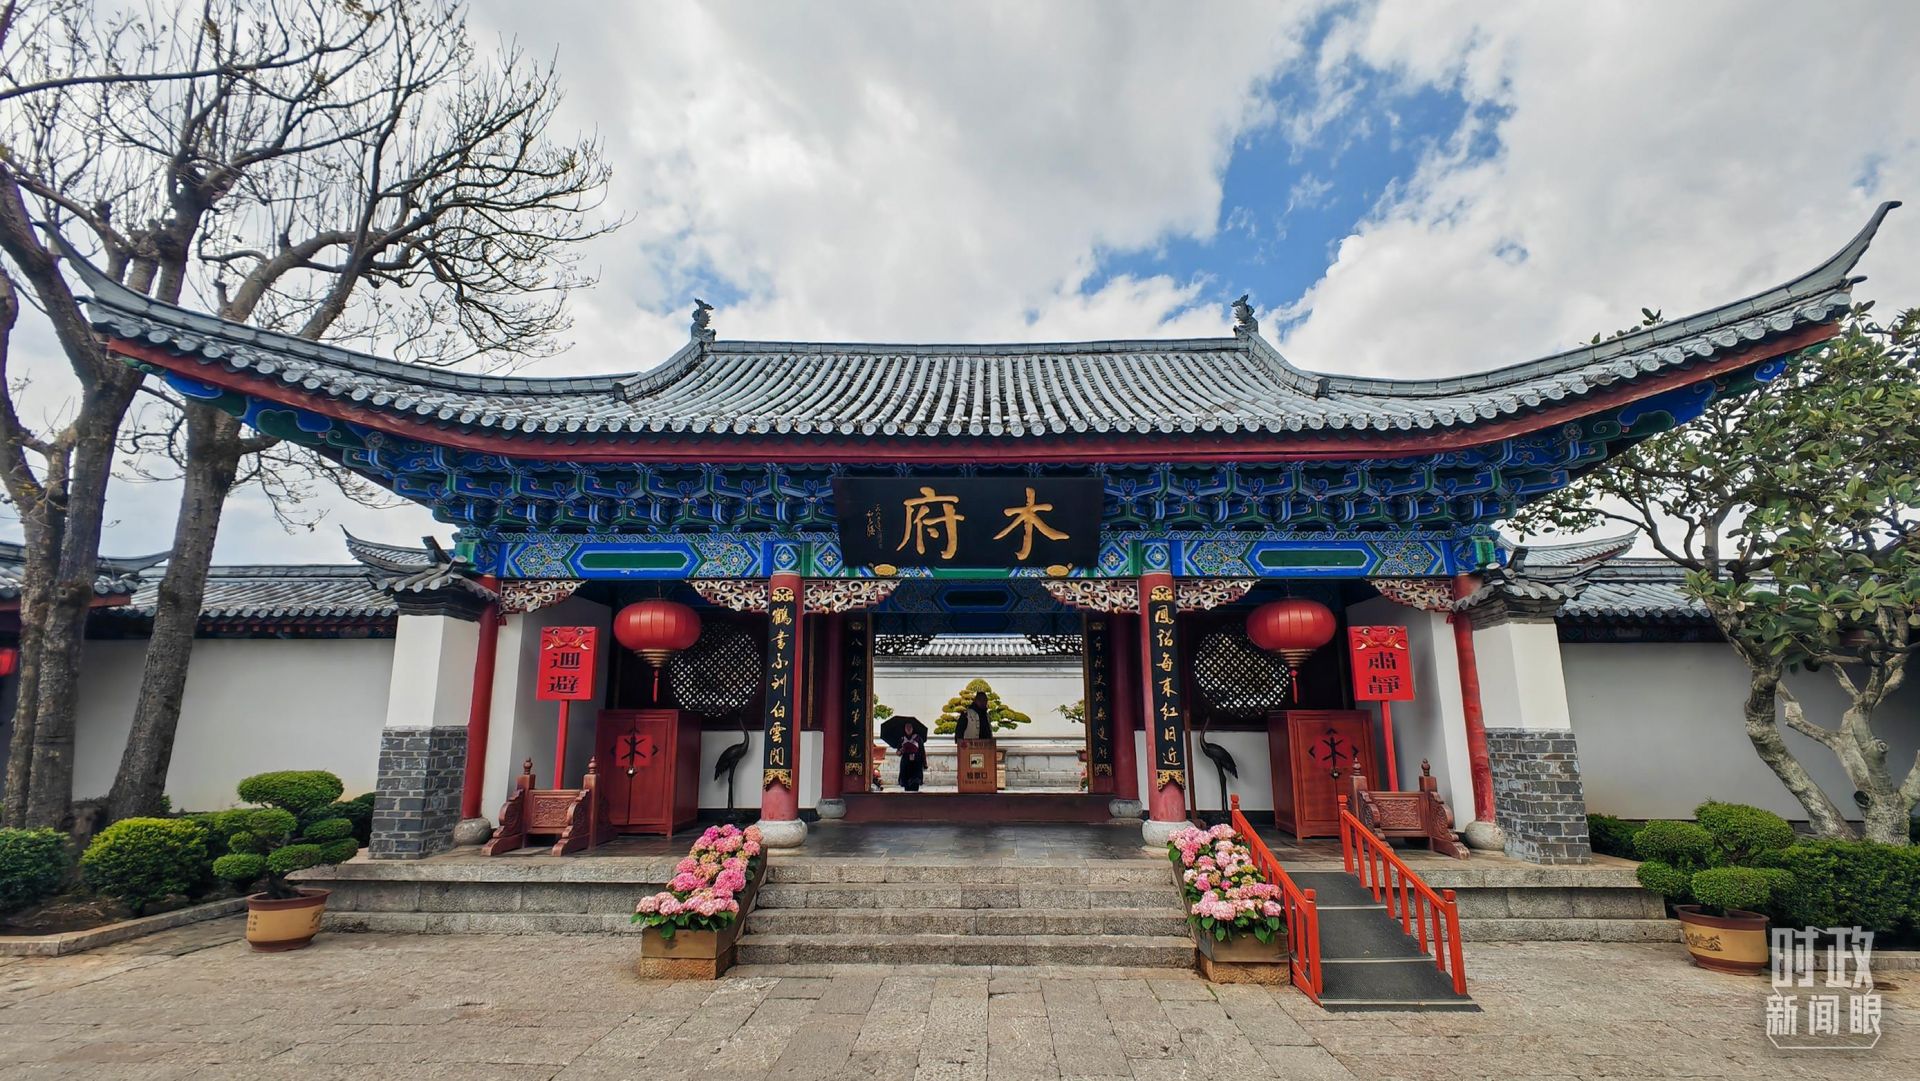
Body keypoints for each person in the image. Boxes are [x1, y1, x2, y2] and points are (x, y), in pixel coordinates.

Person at [898, 722, 926, 792]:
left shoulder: (918, 738)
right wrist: (901, 751)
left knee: (915, 782)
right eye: (906, 727)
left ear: (912, 728)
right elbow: (898, 752)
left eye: (910, 727)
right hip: (906, 763)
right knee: (906, 784)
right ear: (904, 729)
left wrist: (925, 763)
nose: (908, 729)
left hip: (916, 762)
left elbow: (922, 751)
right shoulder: (902, 739)